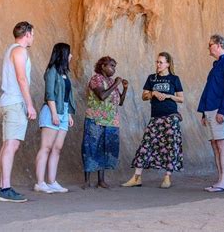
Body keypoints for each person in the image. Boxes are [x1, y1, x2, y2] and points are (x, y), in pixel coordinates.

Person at [122, 52, 184, 189]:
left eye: (161, 62)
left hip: (171, 116)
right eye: (157, 62)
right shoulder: (152, 78)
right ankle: (136, 177)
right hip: (155, 116)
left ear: (168, 64)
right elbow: (144, 96)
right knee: (146, 145)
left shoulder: (174, 79)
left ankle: (167, 177)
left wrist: (168, 96)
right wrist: (153, 93)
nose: (158, 64)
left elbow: (181, 98)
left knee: (170, 145)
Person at [0, 21, 36, 202]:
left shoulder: (10, 50)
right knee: (11, 144)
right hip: (15, 102)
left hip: (9, 101)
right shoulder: (20, 51)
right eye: (32, 34)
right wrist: (29, 104)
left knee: (9, 144)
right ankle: (5, 189)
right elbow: (22, 79)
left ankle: (3, 186)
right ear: (27, 34)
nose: (33, 38)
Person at [34, 43, 76, 193]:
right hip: (53, 110)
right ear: (63, 54)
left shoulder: (65, 73)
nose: (71, 56)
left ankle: (52, 181)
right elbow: (50, 94)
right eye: (69, 53)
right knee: (46, 147)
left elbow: (66, 96)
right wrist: (53, 113)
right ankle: (40, 182)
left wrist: (69, 114)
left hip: (64, 112)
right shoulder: (52, 71)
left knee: (57, 148)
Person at [197, 34, 224, 192]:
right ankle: (220, 179)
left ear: (219, 45)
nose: (209, 48)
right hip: (210, 109)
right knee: (214, 144)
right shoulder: (217, 65)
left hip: (219, 110)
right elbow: (210, 89)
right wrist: (204, 113)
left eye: (210, 45)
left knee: (222, 143)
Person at [82, 56, 128, 189]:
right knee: (91, 148)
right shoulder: (96, 79)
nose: (114, 69)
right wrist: (116, 84)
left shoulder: (111, 81)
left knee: (104, 149)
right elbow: (101, 96)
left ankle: (101, 180)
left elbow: (120, 102)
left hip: (111, 121)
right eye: (111, 66)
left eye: (114, 66)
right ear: (103, 66)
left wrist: (124, 88)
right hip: (95, 119)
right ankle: (87, 181)